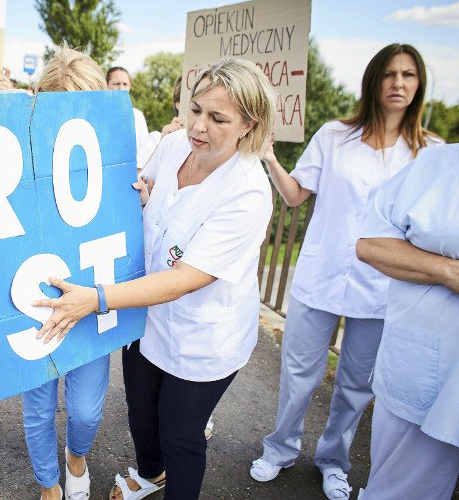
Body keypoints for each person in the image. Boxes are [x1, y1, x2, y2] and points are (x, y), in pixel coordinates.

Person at [35, 57, 276, 499]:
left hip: (203, 337)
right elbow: (132, 187)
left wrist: (97, 298)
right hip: (144, 319)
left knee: (181, 434)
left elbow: (186, 279)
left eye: (217, 118)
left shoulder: (249, 192)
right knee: (141, 412)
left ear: (248, 124)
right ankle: (151, 475)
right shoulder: (172, 148)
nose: (199, 126)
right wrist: (138, 198)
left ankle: (171, 480)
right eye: (196, 109)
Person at [250, 43, 440, 500]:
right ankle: (280, 448)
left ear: (419, 84)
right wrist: (270, 156)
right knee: (300, 374)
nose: (398, 84)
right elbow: (296, 196)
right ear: (373, 81)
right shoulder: (335, 136)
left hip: (383, 289)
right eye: (390, 74)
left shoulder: (430, 153)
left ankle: (334, 460)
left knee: (357, 383)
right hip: (321, 277)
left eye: (408, 75)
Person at [24, 45, 112, 500]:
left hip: (93, 299)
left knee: (85, 411)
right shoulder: (21, 151)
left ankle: (77, 455)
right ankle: (48, 484)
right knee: (37, 408)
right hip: (37, 298)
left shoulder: (114, 162)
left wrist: (140, 194)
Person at [354, 143, 459, 499]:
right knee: (404, 487)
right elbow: (371, 244)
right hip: (430, 365)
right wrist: (449, 272)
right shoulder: (436, 164)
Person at [106, 67, 150, 170]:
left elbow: (144, 152)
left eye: (125, 84)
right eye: (116, 84)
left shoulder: (138, 116)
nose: (121, 88)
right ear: (106, 85)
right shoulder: (99, 115)